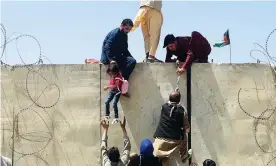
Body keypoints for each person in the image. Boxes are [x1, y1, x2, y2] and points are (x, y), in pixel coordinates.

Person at [152, 89, 191, 166]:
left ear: (169, 98)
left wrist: (175, 95)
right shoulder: (182, 111)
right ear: (179, 100)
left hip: (160, 138)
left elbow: (171, 103)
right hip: (174, 140)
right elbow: (187, 130)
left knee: (163, 158)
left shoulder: (163, 107)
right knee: (184, 135)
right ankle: (184, 156)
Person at [100, 18, 137, 87]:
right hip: (109, 58)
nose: (127, 31)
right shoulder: (115, 34)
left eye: (129, 29)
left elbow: (125, 50)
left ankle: (122, 82)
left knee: (132, 61)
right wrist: (111, 60)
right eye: (126, 28)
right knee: (116, 65)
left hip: (117, 57)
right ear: (121, 25)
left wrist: (131, 59)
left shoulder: (125, 36)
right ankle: (117, 80)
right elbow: (107, 47)